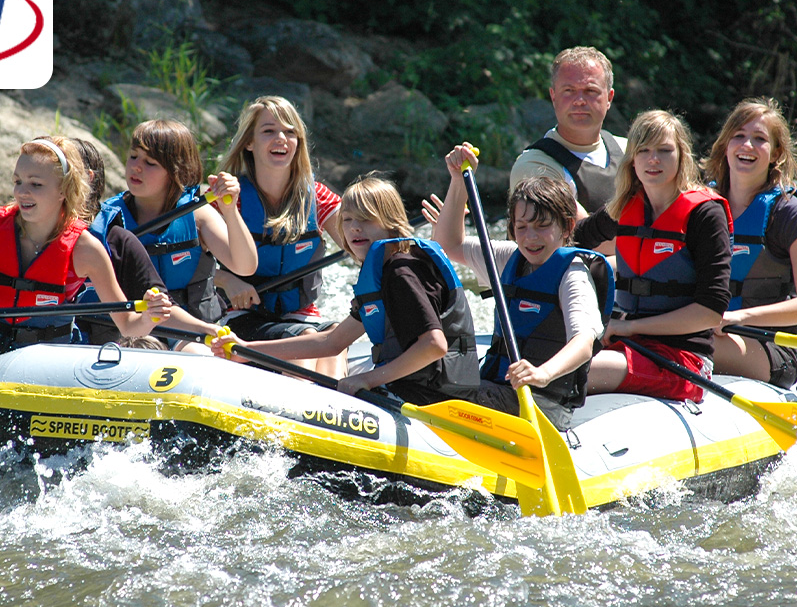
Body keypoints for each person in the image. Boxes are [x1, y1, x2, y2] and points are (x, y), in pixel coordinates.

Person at [211, 176, 479, 405]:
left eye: (366, 220)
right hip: (413, 387)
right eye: (348, 219)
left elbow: (434, 345)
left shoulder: (401, 271)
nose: (354, 228)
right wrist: (246, 349)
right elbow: (330, 342)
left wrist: (365, 379)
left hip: (433, 396)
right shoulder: (381, 272)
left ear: (391, 222)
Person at [0, 136, 172, 362]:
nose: (22, 192)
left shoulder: (87, 250)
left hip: (46, 369)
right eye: (18, 182)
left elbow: (127, 326)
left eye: (36, 184)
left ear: (64, 189)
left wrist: (150, 316)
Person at [427, 144, 609, 430]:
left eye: (541, 225)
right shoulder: (508, 257)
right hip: (498, 389)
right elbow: (449, 245)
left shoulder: (572, 275)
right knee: (430, 380)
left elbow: (583, 343)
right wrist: (457, 180)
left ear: (566, 227)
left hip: (542, 403)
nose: (530, 237)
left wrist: (542, 374)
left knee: (449, 396)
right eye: (521, 227)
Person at [571, 110, 733, 402]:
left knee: (572, 371)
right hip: (625, 345)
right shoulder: (625, 207)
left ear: (682, 155)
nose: (652, 159)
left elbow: (711, 311)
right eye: (643, 151)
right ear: (632, 160)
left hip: (683, 361)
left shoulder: (706, 214)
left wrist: (628, 327)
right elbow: (571, 239)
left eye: (664, 150)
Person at [84, 121, 257, 350]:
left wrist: (230, 210)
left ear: (177, 171)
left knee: (197, 353)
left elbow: (245, 266)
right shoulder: (110, 220)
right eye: (134, 156)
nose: (136, 167)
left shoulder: (198, 215)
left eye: (150, 163)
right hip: (131, 333)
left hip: (190, 332)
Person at [212, 95, 346, 376]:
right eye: (269, 131)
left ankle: (328, 413)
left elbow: (361, 243)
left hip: (300, 315)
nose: (281, 138)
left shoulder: (318, 197)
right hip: (242, 318)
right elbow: (193, 270)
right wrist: (226, 279)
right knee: (304, 340)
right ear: (249, 142)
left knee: (336, 338)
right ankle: (302, 407)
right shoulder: (228, 200)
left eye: (289, 131)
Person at [705, 97, 797, 387]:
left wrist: (740, 317)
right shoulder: (702, 205)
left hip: (769, 346)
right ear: (726, 145)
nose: (747, 145)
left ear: (776, 154)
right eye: (739, 136)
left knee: (691, 342)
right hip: (707, 332)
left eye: (759, 139)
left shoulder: (788, 213)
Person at [510, 47, 626, 232]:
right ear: (553, 96)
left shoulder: (632, 151)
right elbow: (580, 236)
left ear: (609, 98)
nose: (579, 100)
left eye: (590, 90)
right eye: (569, 90)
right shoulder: (533, 166)